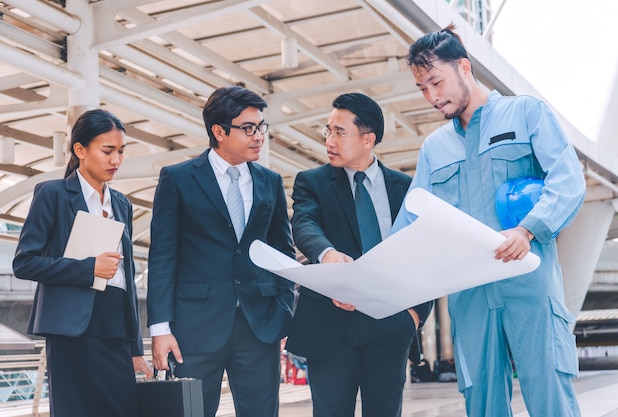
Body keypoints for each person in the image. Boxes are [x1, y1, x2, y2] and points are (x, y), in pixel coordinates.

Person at [392, 24, 585, 417]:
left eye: (435, 82)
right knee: (481, 403)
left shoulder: (526, 113)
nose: (431, 96)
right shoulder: (434, 148)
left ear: (464, 67)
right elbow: (411, 222)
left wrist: (528, 228)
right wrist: (372, 281)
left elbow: (568, 181)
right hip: (469, 295)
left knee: (549, 394)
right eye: (422, 89)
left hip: (528, 281)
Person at [147, 86, 295, 417]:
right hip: (194, 329)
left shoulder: (269, 182)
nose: (259, 136)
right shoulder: (178, 179)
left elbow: (281, 253)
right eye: (248, 128)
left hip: (260, 326)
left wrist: (283, 313)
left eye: (261, 127)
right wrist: (160, 329)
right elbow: (162, 257)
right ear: (218, 131)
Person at [285, 92, 433, 417]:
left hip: (390, 320)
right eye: (328, 130)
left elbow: (425, 251)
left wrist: (414, 315)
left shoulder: (406, 188)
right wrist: (327, 255)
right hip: (330, 323)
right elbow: (305, 224)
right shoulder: (313, 182)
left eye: (340, 132)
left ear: (368, 139)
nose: (329, 140)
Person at [12, 109, 151, 417]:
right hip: (71, 328)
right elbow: (24, 263)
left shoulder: (122, 204)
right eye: (108, 151)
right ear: (80, 150)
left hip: (115, 326)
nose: (116, 160)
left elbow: (126, 278)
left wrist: (136, 348)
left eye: (121, 151)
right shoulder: (52, 194)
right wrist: (88, 269)